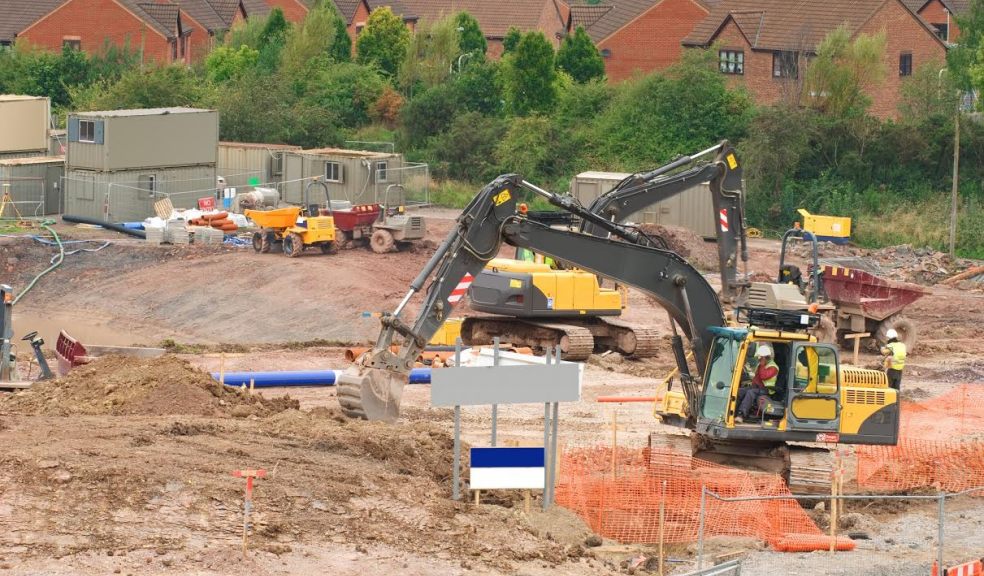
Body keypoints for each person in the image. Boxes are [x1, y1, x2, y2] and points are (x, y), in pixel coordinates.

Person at [736, 345, 780, 423]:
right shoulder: (761, 365)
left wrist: (762, 365)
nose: (758, 359)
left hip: (767, 390)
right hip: (757, 387)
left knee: (750, 392)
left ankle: (741, 415)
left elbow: (763, 376)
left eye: (760, 358)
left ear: (764, 357)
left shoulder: (773, 367)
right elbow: (756, 377)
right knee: (739, 391)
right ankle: (733, 412)